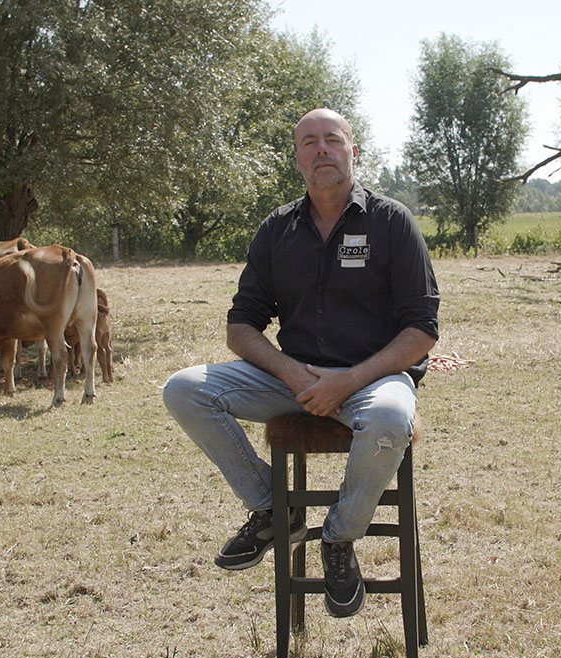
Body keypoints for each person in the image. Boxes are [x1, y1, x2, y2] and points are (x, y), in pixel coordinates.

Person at [162, 108, 439, 618]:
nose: (321, 150)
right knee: (183, 389)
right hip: (291, 379)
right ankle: (274, 508)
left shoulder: (391, 222)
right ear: (297, 159)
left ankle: (337, 539)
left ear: (354, 152)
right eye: (309, 143)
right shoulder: (277, 230)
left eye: (332, 140)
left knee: (391, 419)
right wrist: (291, 372)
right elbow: (240, 326)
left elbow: (422, 330)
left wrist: (349, 381)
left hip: (372, 380)